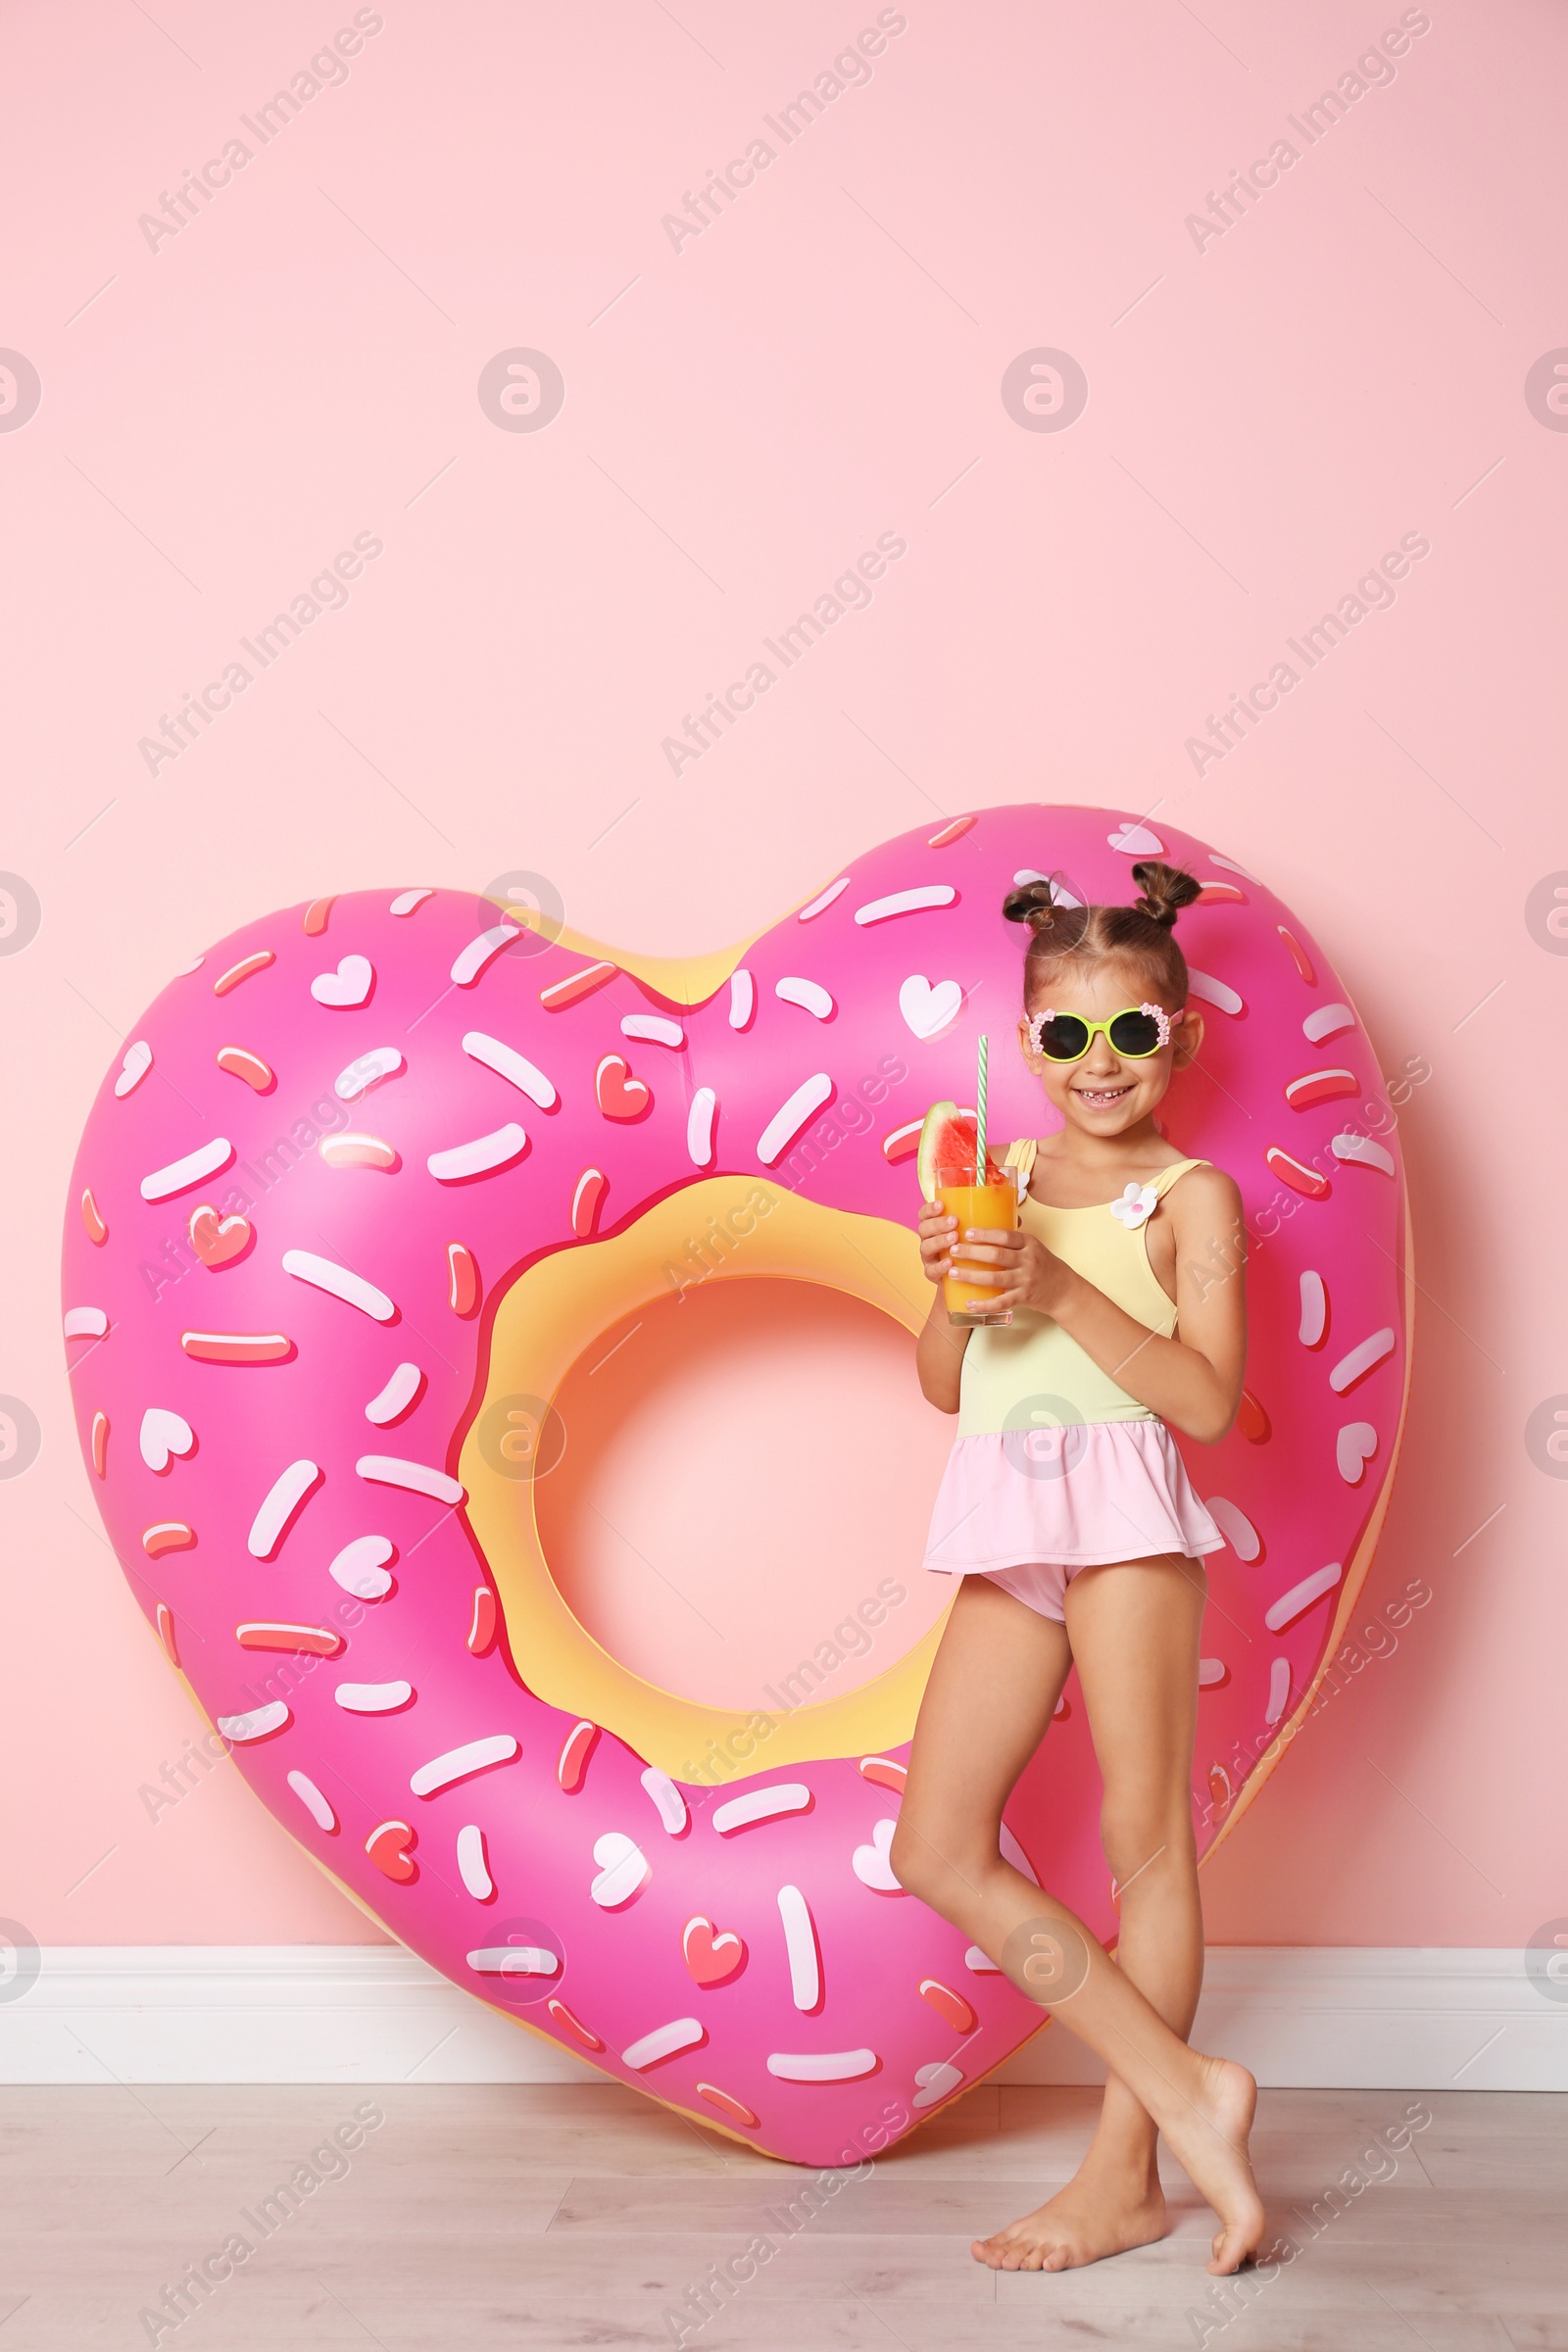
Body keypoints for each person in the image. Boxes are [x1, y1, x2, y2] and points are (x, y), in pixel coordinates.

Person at [890, 858, 1266, 2277]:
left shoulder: (1192, 1198)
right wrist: (956, 1290)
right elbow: (943, 1384)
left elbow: (1208, 1399)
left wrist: (1060, 1288)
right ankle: (1188, 2090)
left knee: (1142, 1844)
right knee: (934, 1845)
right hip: (1008, 1518)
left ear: (1180, 1035)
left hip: (1126, 1523)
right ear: (1025, 1043)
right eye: (1063, 1037)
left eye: (1128, 1033)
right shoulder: (996, 1175)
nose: (1096, 1065)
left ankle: (1126, 2174)